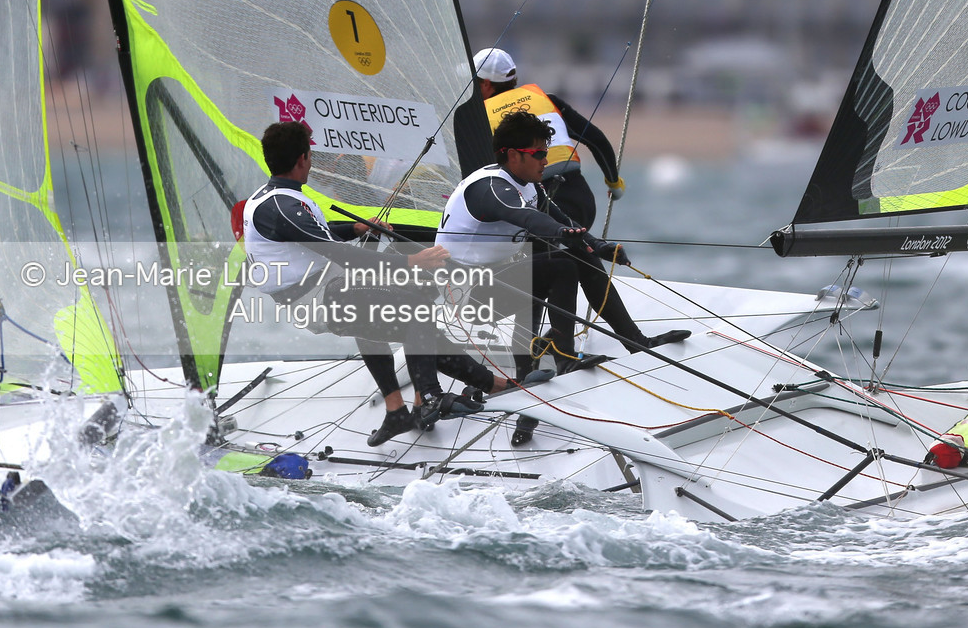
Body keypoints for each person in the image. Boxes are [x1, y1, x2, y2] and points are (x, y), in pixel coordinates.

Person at [242, 121, 515, 447]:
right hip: (317, 297)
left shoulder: (278, 197)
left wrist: (355, 228)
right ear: (303, 158)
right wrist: (412, 261)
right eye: (310, 155)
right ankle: (430, 397)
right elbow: (341, 255)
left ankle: (410, 406)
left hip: (325, 286)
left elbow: (316, 232)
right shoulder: (280, 206)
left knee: (405, 305)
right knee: (415, 311)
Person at [439, 110, 641, 445]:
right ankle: (561, 358)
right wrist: (563, 232)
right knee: (557, 265)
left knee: (572, 256)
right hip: (460, 302)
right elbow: (527, 217)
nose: (546, 160)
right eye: (539, 154)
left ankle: (634, 342)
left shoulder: (527, 183)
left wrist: (598, 245)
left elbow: (555, 215)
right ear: (513, 154)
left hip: (494, 283)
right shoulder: (490, 188)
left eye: (546, 152)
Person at [471, 48, 686, 357]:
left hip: (537, 201)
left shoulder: (480, 117)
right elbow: (596, 139)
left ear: (485, 86)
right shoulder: (548, 101)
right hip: (579, 195)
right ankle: (629, 341)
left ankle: (536, 356)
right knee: (578, 259)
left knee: (543, 268)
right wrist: (614, 182)